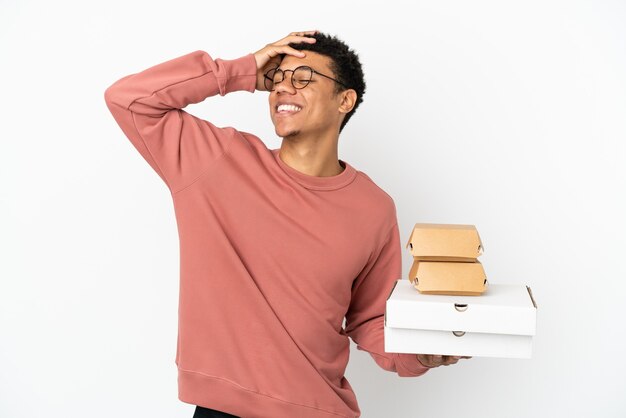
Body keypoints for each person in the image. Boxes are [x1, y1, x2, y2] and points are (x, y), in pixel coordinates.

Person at [104, 30, 468, 418]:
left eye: (304, 79)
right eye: (277, 80)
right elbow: (129, 100)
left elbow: (371, 319)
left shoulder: (374, 207)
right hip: (223, 409)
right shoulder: (216, 162)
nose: (282, 90)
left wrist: (420, 355)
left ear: (345, 100)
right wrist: (240, 72)